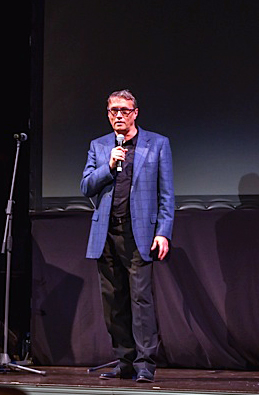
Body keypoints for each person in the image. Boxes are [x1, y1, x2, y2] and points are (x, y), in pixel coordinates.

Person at [81, 89, 175, 383]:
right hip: (106, 233)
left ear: (135, 112)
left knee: (141, 300)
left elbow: (166, 194)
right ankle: (124, 360)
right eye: (113, 111)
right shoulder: (99, 147)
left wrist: (163, 232)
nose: (118, 115)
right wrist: (109, 165)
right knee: (113, 301)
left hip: (139, 234)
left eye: (124, 110)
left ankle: (145, 363)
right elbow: (86, 186)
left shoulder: (157, 144)